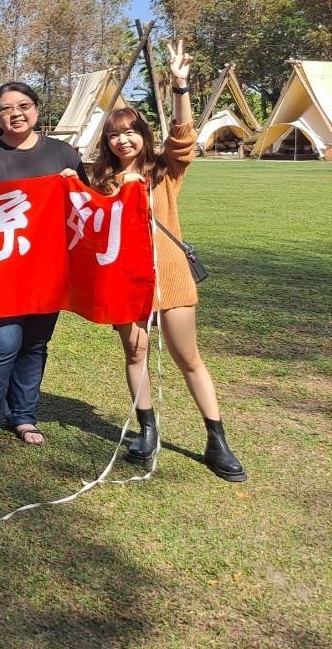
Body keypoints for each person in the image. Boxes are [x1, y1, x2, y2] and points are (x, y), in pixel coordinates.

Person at [93, 40, 246, 481]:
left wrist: (180, 85)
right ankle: (147, 430)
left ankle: (217, 440)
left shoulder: (164, 171)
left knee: (188, 357)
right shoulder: (102, 181)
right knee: (135, 353)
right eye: (114, 135)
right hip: (128, 283)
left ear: (142, 134)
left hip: (172, 280)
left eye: (129, 132)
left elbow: (183, 138)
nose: (122, 140)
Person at [0, 82, 87, 453]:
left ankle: (23, 414)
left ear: (36, 109)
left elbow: (86, 208)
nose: (15, 113)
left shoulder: (63, 153)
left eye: (23, 106)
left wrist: (75, 185)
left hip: (48, 268)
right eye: (5, 109)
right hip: (0, 268)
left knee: (35, 343)